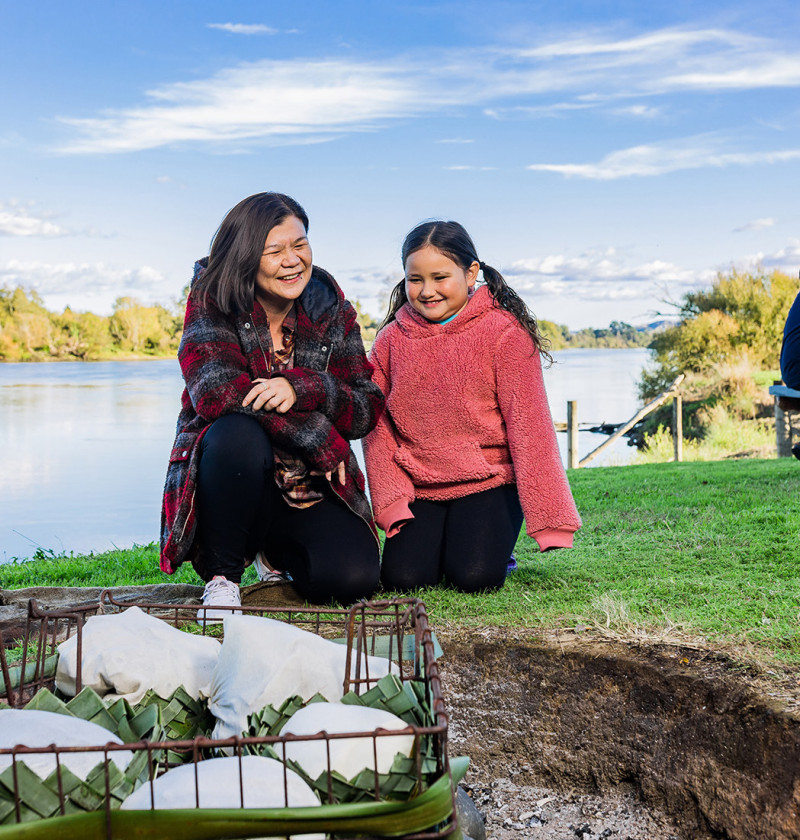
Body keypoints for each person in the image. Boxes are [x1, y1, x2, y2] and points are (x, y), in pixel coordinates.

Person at [160, 192, 384, 617]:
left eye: (300, 245)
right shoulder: (212, 299)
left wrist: (306, 385)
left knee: (351, 580)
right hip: (236, 475)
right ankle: (223, 575)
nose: (293, 260)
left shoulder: (331, 307)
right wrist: (316, 433)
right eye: (274, 251)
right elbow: (217, 394)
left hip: (306, 485)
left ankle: (274, 555)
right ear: (245, 256)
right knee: (235, 434)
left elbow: (366, 406)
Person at [363, 220, 581, 592]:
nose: (427, 291)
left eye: (440, 277)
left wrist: (550, 517)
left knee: (474, 577)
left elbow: (530, 428)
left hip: (490, 480)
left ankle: (497, 548)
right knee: (404, 579)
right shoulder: (389, 340)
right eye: (415, 279)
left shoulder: (505, 334)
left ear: (471, 273)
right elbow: (375, 426)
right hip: (421, 484)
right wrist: (391, 500)